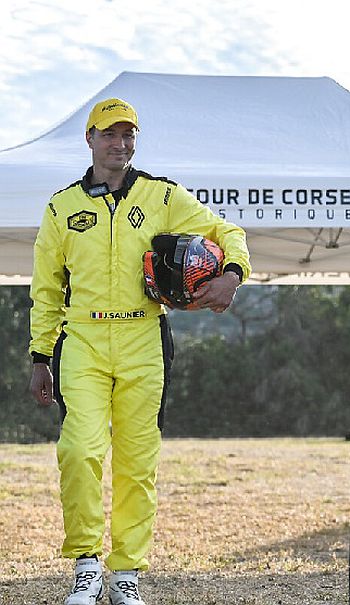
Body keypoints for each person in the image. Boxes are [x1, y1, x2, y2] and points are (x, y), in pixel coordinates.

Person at [28, 98, 251, 605]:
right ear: (89, 139)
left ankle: (125, 573)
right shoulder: (61, 207)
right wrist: (40, 356)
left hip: (145, 338)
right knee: (79, 450)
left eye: (128, 134)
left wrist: (232, 274)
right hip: (82, 340)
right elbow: (46, 288)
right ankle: (87, 566)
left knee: (137, 461)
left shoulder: (162, 195)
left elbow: (227, 232)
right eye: (109, 133)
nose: (120, 143)